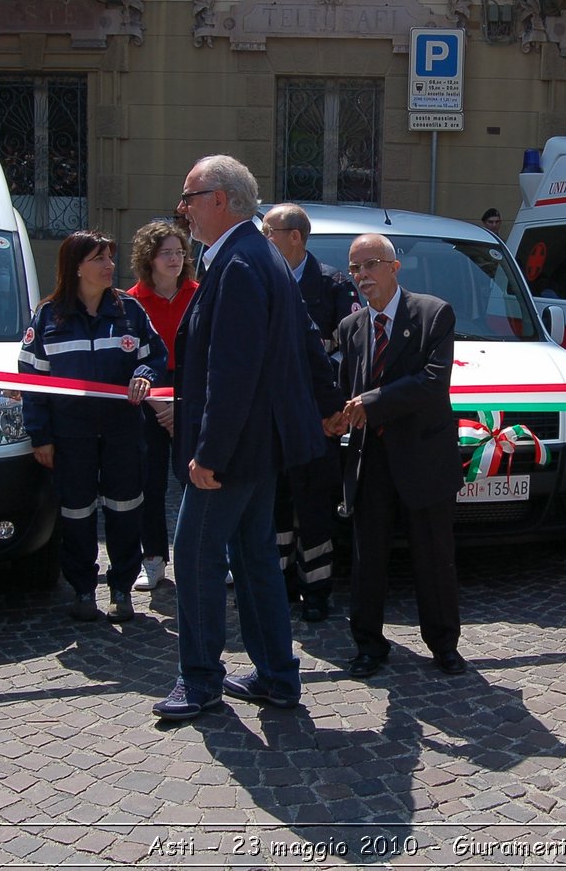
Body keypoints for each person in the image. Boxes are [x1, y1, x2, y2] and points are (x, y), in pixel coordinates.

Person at [152, 156, 336, 721]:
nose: (182, 210)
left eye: (190, 196)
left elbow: (234, 371)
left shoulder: (239, 261)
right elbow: (304, 342)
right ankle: (277, 676)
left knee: (197, 555)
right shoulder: (257, 255)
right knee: (255, 556)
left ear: (221, 200)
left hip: (233, 451)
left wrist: (209, 453)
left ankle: (201, 679)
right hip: (259, 446)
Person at [330, 232, 466, 678]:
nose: (361, 276)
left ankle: (443, 644)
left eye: (369, 265)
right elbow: (346, 391)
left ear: (393, 267)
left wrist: (372, 402)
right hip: (371, 460)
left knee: (434, 555)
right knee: (368, 558)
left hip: (423, 455)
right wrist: (333, 417)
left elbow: (432, 382)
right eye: (354, 269)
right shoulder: (351, 328)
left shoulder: (432, 313)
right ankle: (368, 644)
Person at [19, 231, 166, 623]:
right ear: (76, 267)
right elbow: (31, 380)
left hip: (121, 431)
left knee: (125, 509)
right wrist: (41, 436)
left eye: (110, 258)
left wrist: (145, 374)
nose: (109, 266)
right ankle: (83, 588)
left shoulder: (129, 311)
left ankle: (121, 587)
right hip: (71, 434)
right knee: (77, 513)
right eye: (100, 259)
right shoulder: (48, 316)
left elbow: (156, 356)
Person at [262, 203, 360, 622]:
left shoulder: (334, 285)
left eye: (269, 231)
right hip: (273, 418)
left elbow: (350, 351)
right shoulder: (262, 279)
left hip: (319, 418)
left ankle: (317, 590)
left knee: (315, 507)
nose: (264, 238)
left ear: (295, 237)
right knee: (277, 505)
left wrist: (333, 409)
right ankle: (279, 585)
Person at [126, 220, 198, 594]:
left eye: (179, 252)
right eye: (165, 253)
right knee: (149, 483)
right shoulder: (131, 302)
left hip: (191, 397)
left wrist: (181, 405)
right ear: (149, 259)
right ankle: (153, 559)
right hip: (148, 402)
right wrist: (158, 403)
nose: (174, 259)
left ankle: (207, 558)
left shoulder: (199, 294)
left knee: (198, 480)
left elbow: (206, 357)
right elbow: (133, 361)